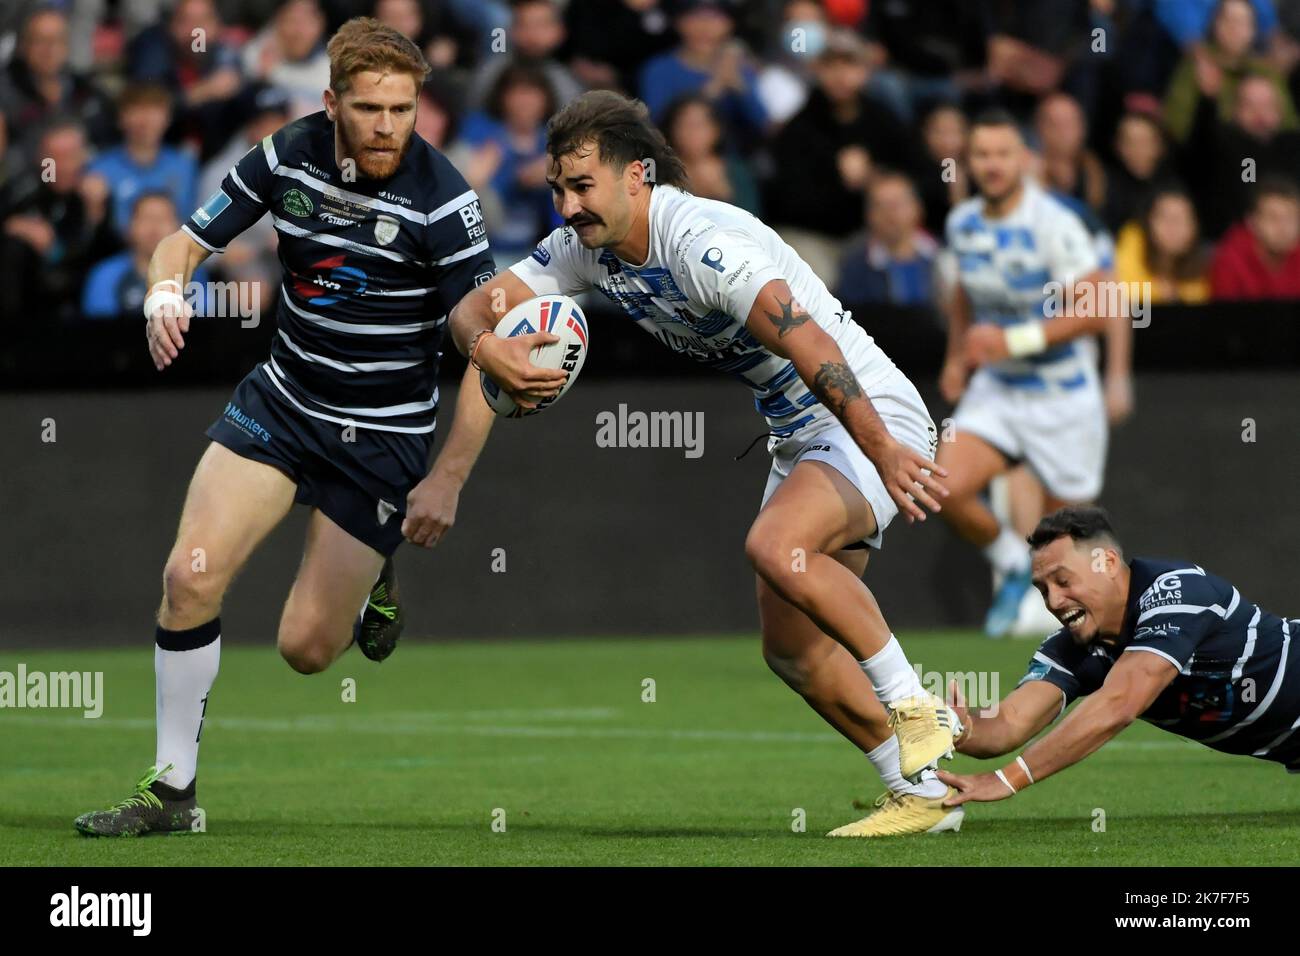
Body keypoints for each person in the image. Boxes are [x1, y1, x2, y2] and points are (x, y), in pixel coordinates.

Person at [450, 90, 966, 839]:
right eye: (558, 187)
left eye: (582, 186)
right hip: (799, 431)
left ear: (639, 177)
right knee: (791, 653)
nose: (566, 206)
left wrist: (884, 448)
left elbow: (810, 344)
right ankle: (923, 793)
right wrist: (488, 347)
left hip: (863, 411)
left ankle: (916, 707)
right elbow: (472, 309)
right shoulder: (581, 249)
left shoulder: (701, 244)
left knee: (774, 544)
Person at [74, 17, 501, 837]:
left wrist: (446, 477)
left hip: (381, 440)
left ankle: (376, 576)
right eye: (371, 108)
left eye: (403, 109)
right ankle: (172, 795)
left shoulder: (444, 200)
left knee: (306, 650)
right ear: (333, 101)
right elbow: (183, 243)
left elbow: (482, 346)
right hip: (280, 409)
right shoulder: (285, 155)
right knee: (186, 580)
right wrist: (168, 292)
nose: (387, 127)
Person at [938, 506, 1300, 807]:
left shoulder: (1177, 591)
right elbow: (1011, 721)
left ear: (1107, 562)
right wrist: (963, 728)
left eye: (1063, 581)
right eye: (1043, 589)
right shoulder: (1073, 646)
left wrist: (1008, 778)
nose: (1053, 601)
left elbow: (1119, 703)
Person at [935, 110, 1117, 638]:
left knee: (1069, 537)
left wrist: (1012, 340)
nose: (991, 165)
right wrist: (955, 358)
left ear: (1024, 160)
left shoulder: (1056, 223)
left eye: (1002, 154)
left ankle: (1089, 645)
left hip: (1063, 394)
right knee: (945, 488)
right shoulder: (961, 222)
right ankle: (1014, 562)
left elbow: (1098, 307)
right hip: (999, 389)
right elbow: (964, 293)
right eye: (982, 155)